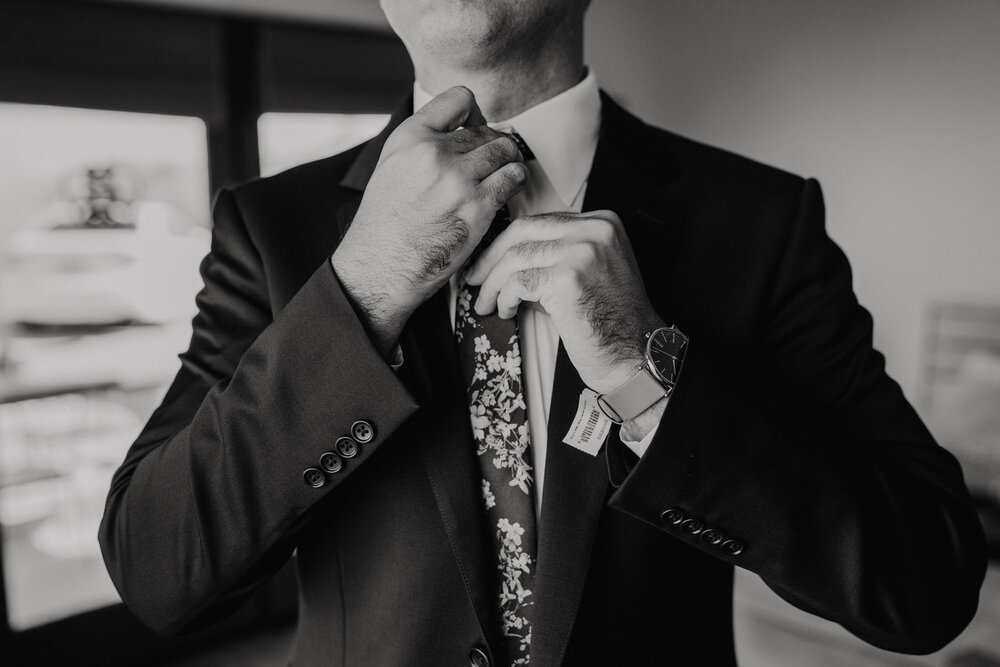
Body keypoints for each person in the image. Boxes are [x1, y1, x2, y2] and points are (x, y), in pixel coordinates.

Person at [99, 1, 987, 665]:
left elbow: (930, 580)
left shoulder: (759, 220)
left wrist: (649, 374)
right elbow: (156, 568)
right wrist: (361, 288)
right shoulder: (274, 227)